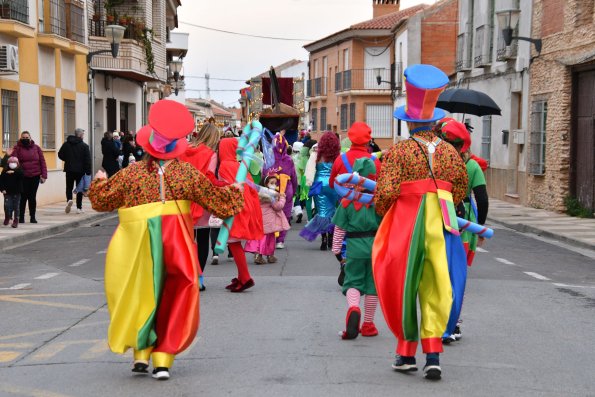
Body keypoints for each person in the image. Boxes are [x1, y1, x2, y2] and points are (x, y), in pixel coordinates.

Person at [88, 99, 244, 381]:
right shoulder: (186, 173)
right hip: (176, 243)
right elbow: (220, 203)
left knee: (141, 293)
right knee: (176, 295)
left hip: (137, 244)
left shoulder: (131, 173)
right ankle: (163, 358)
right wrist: (235, 191)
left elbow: (100, 200)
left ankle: (141, 353)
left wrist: (99, 180)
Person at [372, 64, 468, 380]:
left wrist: (382, 211)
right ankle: (434, 355)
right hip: (441, 222)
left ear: (409, 123)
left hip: (407, 223)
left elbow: (385, 192)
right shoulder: (451, 153)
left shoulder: (399, 152)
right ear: (434, 121)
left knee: (401, 285)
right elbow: (460, 189)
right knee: (437, 285)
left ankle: (405, 353)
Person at [436, 117, 489, 343]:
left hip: (437, 217)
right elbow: (483, 199)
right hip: (465, 223)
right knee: (458, 274)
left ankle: (439, 319)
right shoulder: (472, 166)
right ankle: (454, 322)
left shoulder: (436, 162)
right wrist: (479, 228)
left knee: (439, 273)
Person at [331, 158, 382, 340]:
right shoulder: (380, 202)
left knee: (352, 282)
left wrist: (338, 252)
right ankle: (368, 324)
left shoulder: (347, 202)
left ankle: (354, 308)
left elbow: (339, 230)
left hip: (354, 248)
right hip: (376, 249)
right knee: (372, 286)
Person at [217, 137, 264, 292]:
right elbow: (250, 185)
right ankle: (241, 276)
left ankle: (245, 277)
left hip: (235, 206)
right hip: (246, 204)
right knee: (235, 241)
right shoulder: (238, 165)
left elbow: (224, 187)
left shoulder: (224, 165)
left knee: (233, 241)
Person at [179, 122, 221, 291]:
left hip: (183, 199)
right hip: (201, 200)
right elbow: (210, 177)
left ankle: (186, 275)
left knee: (187, 240)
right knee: (203, 240)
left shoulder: (183, 150)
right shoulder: (211, 154)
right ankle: (199, 277)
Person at [299, 132, 340, 250]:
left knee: (321, 211)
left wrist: (308, 184)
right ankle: (331, 238)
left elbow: (310, 169)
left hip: (319, 184)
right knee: (332, 211)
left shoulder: (316, 154)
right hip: (333, 184)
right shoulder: (337, 155)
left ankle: (324, 238)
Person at [245, 172, 290, 264]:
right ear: (266, 184)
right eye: (272, 183)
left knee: (261, 237)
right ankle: (266, 255)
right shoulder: (271, 196)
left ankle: (262, 254)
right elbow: (278, 206)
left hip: (259, 218)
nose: (274, 185)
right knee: (269, 238)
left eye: (275, 183)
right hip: (269, 220)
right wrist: (282, 198)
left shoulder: (259, 194)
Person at [265, 133, 297, 250]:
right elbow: (294, 177)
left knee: (272, 215)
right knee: (285, 215)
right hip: (286, 192)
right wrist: (294, 190)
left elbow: (264, 175)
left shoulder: (269, 160)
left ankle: (272, 237)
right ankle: (280, 240)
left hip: (271, 192)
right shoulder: (289, 160)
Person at [11, 131, 47, 224]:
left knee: (32, 197)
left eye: (27, 137)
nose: (25, 139)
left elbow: (42, 162)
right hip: (23, 177)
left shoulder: (36, 148)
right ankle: (21, 217)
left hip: (35, 176)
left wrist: (44, 175)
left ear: (30, 138)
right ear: (20, 138)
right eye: (23, 137)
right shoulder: (17, 148)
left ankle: (33, 217)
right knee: (23, 198)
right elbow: (13, 162)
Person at [58, 128, 91, 214]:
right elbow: (87, 160)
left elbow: (60, 154)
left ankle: (69, 200)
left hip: (69, 169)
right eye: (83, 134)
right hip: (80, 171)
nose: (83, 136)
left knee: (69, 187)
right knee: (79, 188)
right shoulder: (84, 146)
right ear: (80, 135)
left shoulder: (66, 144)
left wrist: (67, 159)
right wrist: (88, 172)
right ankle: (79, 208)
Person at [0, 156, 24, 228]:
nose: (12, 164)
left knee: (16, 206)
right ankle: (7, 217)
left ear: (17, 163)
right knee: (7, 205)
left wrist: (14, 172)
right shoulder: (5, 170)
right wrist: (2, 189)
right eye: (11, 162)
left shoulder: (19, 170)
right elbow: (1, 180)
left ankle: (15, 221)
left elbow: (22, 176)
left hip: (17, 191)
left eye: (14, 162)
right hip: (7, 192)